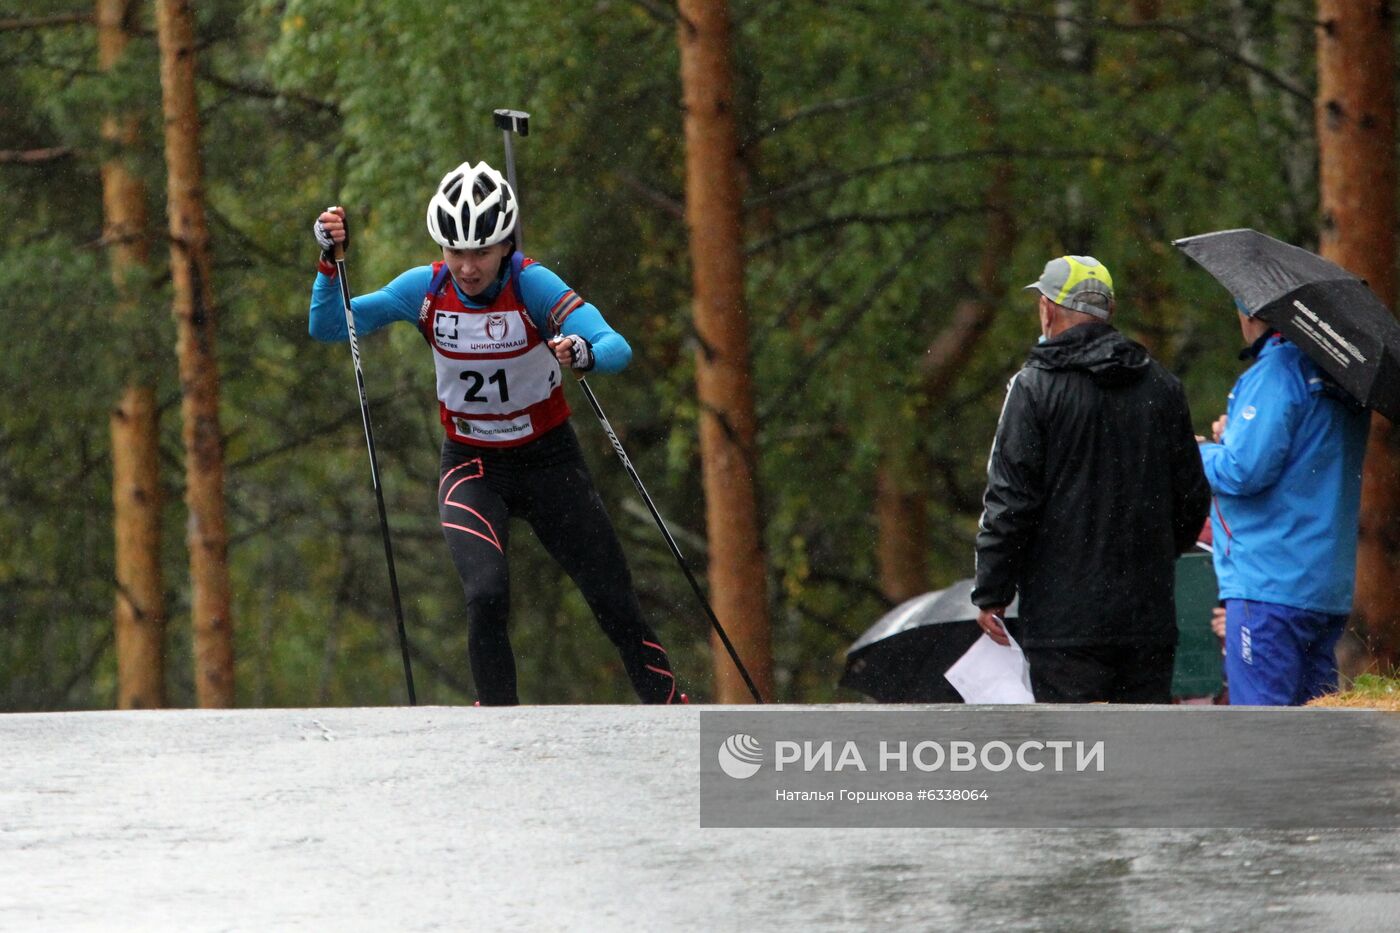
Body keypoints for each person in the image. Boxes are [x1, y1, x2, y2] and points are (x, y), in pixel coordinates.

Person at [308, 160, 683, 706]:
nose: (467, 266)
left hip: (549, 461)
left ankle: (671, 710)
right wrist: (327, 264)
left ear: (505, 245)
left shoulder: (533, 285)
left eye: (480, 251)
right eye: (455, 251)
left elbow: (616, 347)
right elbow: (327, 326)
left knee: (612, 598)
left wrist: (584, 352)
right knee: (485, 595)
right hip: (472, 465)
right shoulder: (426, 289)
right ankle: (496, 734)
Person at [971, 255, 1211, 703]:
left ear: (1047, 309)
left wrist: (992, 590)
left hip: (1064, 623)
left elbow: (1010, 500)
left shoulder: (1033, 388)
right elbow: (1191, 499)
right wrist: (1153, 556)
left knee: (1073, 759)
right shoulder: (1163, 387)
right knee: (1140, 758)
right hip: (1148, 617)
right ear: (1109, 312)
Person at [1197, 304, 1369, 706]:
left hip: (1267, 586)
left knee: (1264, 740)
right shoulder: (1344, 379)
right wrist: (1235, 436)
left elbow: (1242, 471)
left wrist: (1202, 452)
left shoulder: (1277, 372)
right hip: (1324, 587)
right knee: (1313, 739)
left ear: (1250, 312)